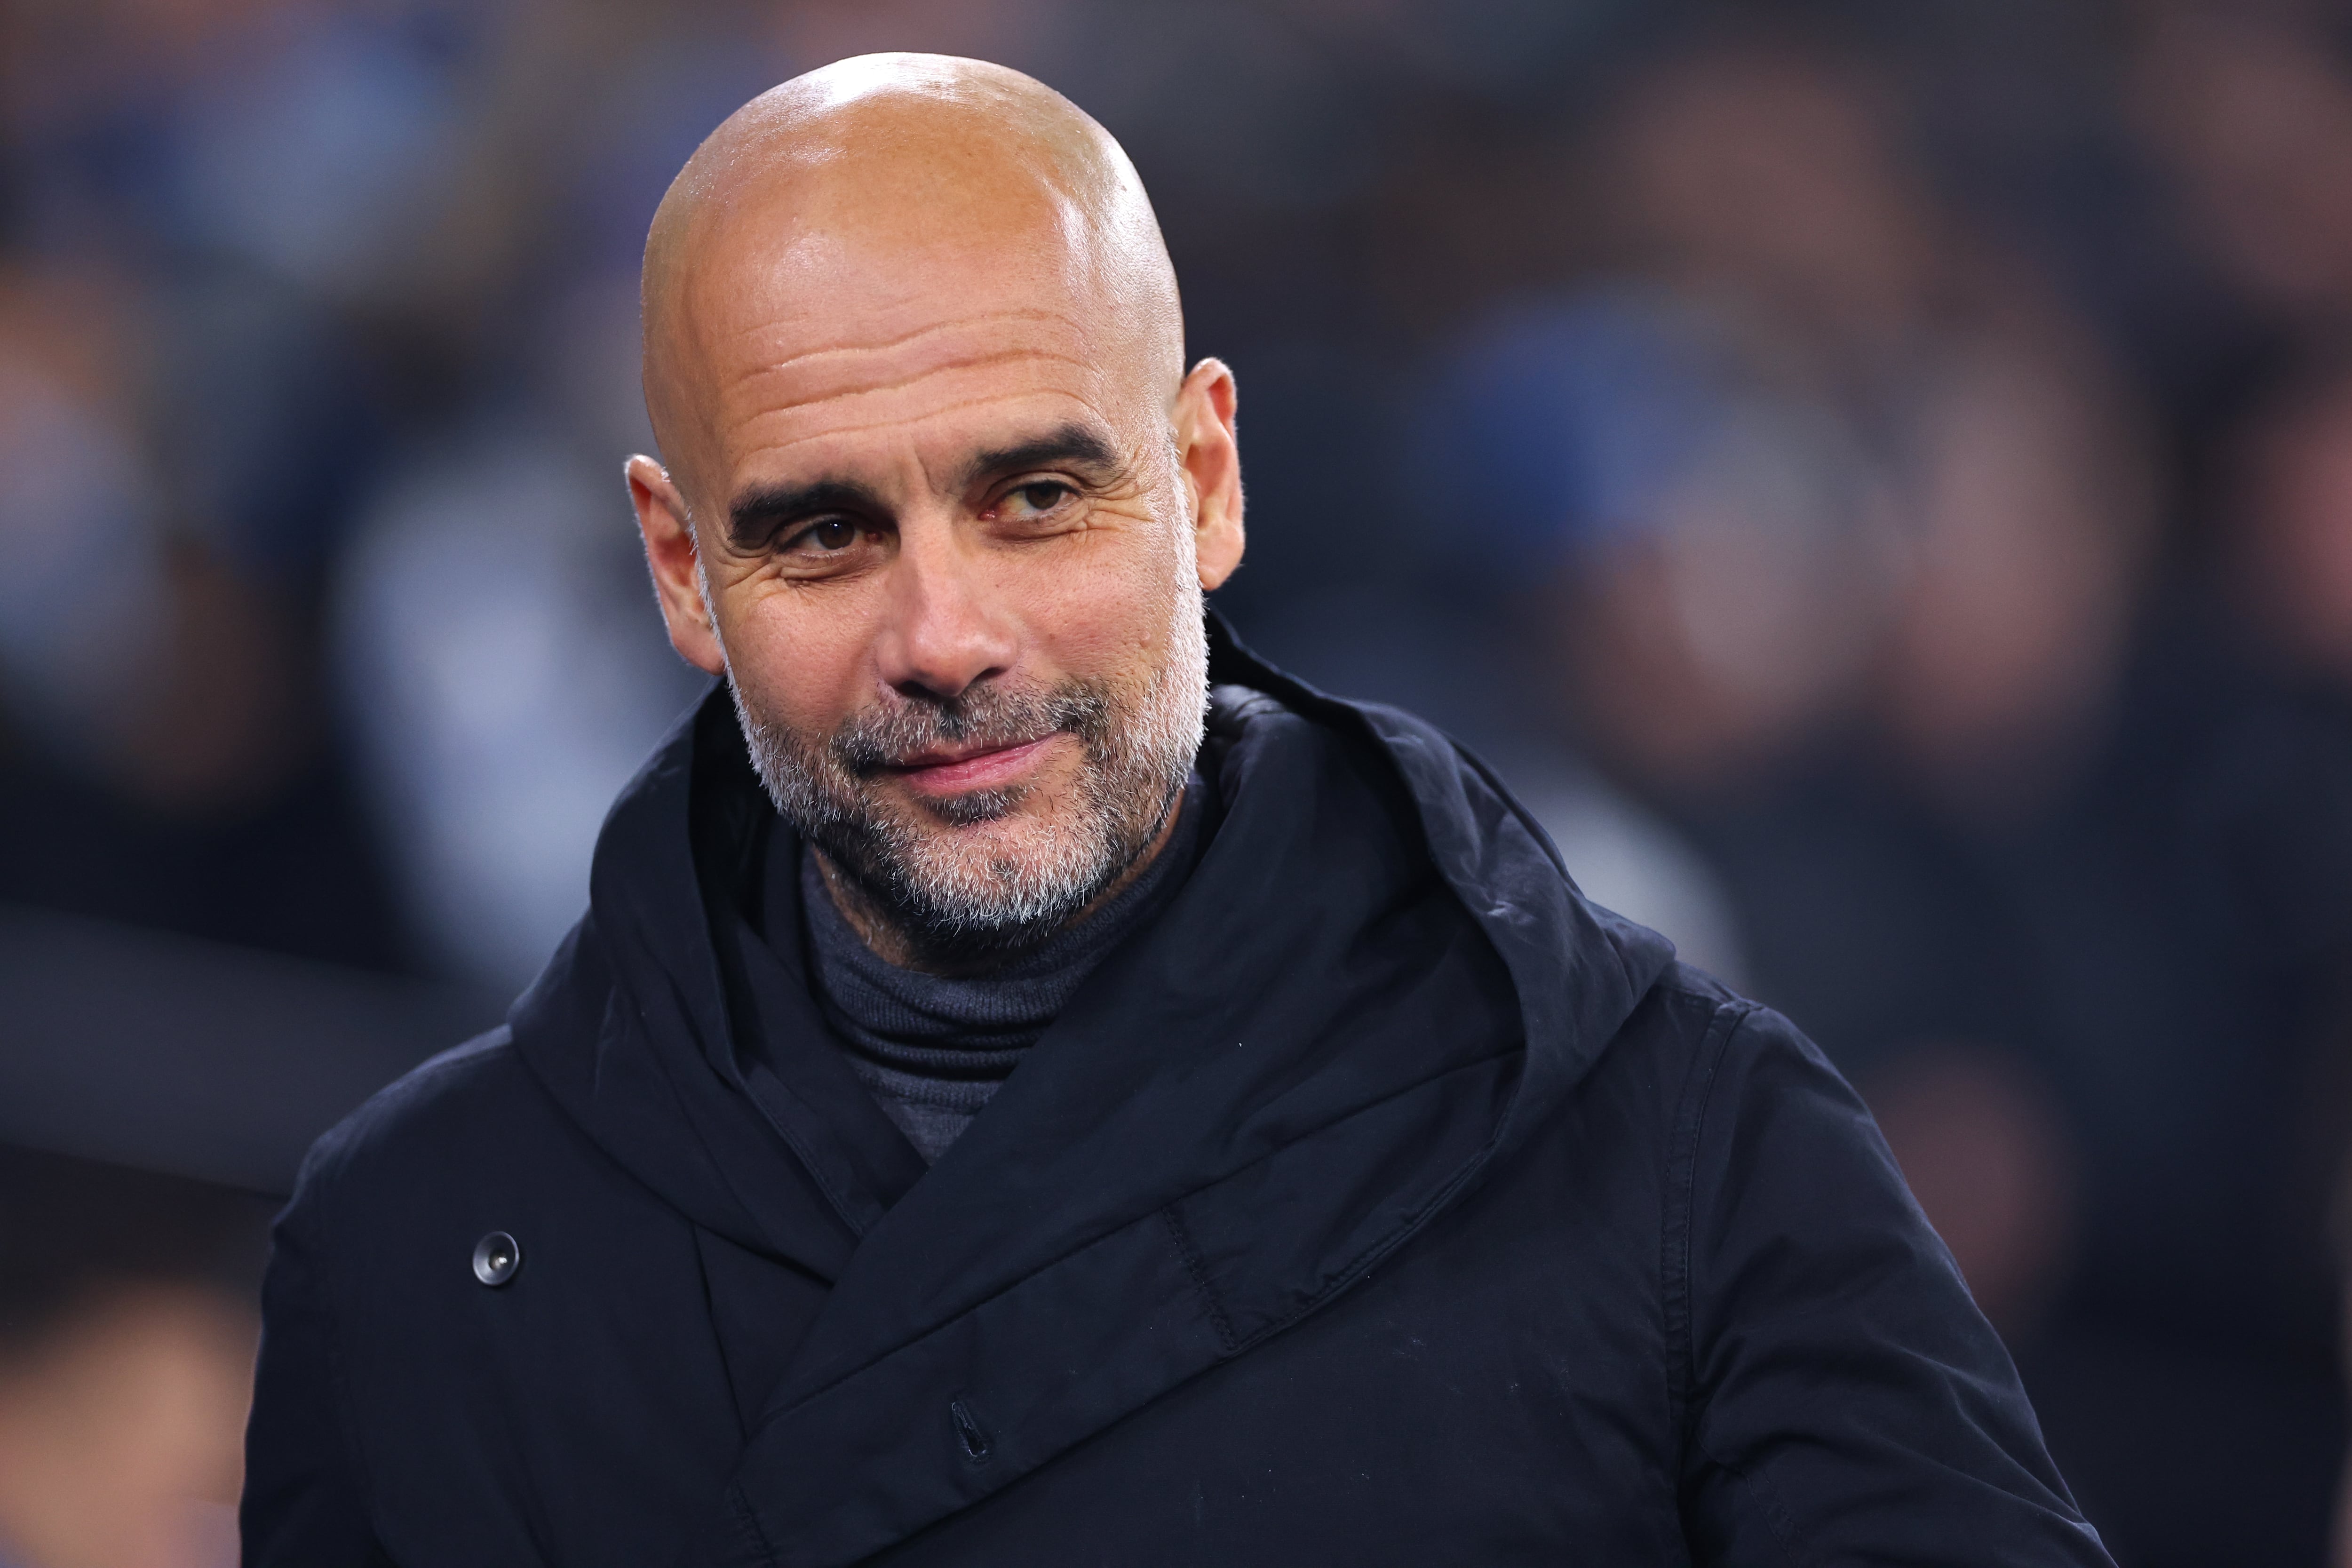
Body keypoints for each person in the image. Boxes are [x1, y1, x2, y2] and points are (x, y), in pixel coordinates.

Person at [239, 54, 2112, 1567]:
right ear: (675, 568)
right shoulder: (420, 1256)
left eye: (1036, 497)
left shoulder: (1671, 1134)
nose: (941, 637)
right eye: (821, 532)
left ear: (1203, 478)